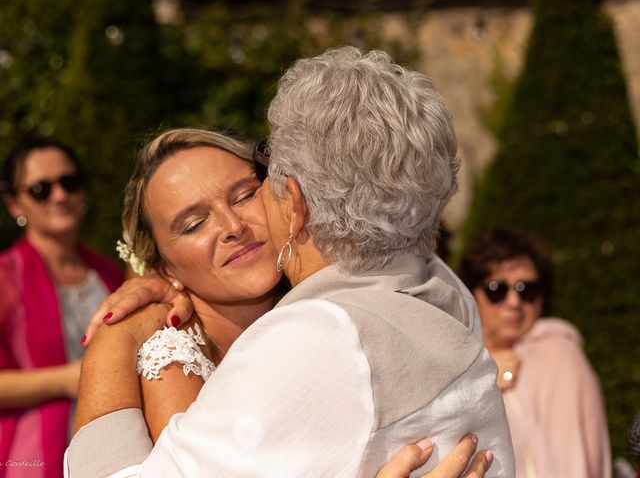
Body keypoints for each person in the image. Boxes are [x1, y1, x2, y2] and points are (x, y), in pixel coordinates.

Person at [67, 47, 514, 476]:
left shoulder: (314, 338)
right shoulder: (443, 293)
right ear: (162, 266)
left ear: (294, 202)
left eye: (248, 191)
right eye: (192, 224)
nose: (232, 226)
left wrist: (115, 336)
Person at [0, 136, 124, 478]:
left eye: (69, 183)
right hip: (30, 459)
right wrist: (67, 379)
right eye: (41, 189)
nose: (60, 196)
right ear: (15, 205)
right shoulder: (4, 277)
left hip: (110, 451)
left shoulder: (109, 272)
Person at [459, 228, 611, 478]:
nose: (514, 302)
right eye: (496, 289)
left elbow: (574, 461)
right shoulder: (461, 361)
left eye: (526, 289)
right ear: (471, 295)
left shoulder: (558, 352)